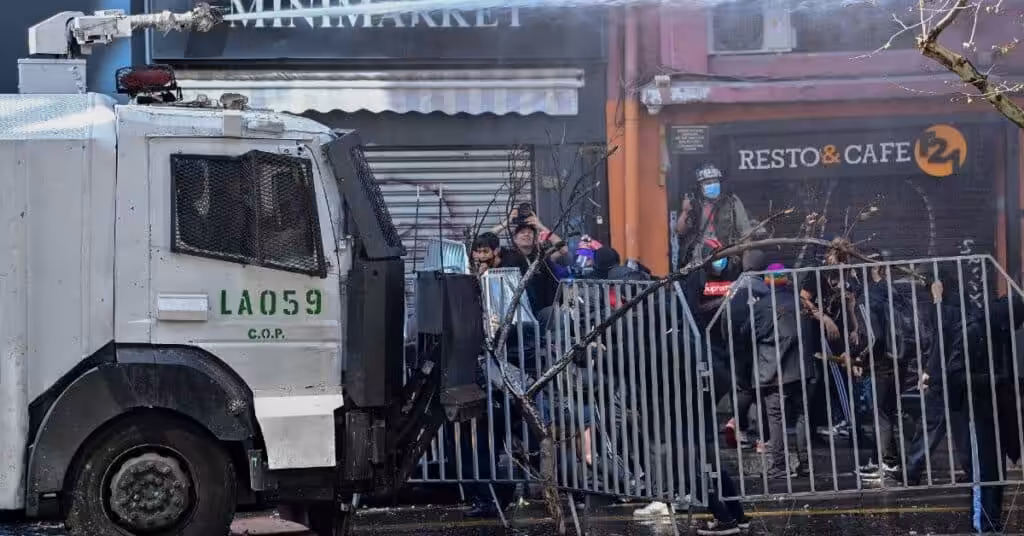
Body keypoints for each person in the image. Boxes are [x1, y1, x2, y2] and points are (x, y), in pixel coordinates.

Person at [674, 163, 762, 268]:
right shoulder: (695, 203)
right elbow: (680, 231)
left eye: (715, 182)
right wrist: (685, 211)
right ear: (700, 186)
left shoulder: (731, 201)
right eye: (708, 183)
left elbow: (745, 232)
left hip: (726, 254)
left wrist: (746, 263)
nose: (712, 185)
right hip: (699, 259)